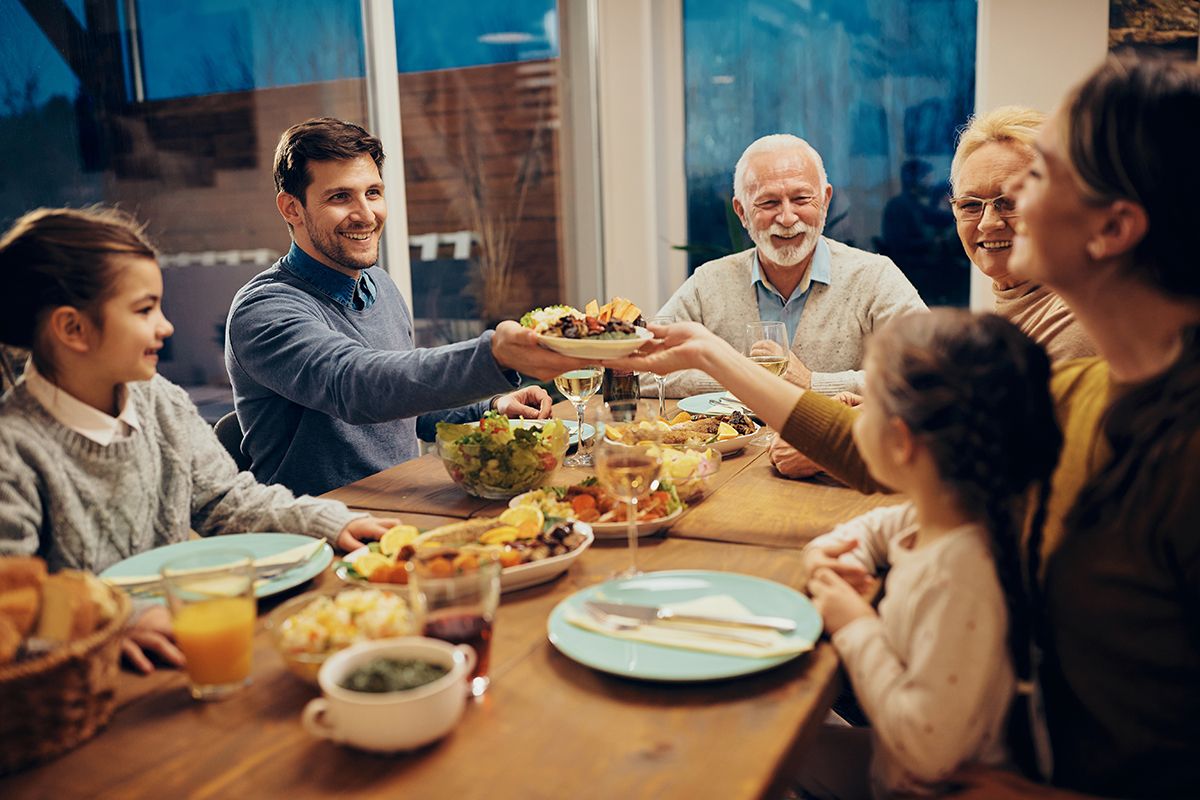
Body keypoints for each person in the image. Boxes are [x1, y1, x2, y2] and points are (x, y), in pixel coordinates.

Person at [608, 58, 1200, 797]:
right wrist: (711, 356)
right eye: (971, 201)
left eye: (1034, 182)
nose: (990, 221)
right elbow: (917, 457)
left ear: (1113, 226)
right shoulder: (1079, 388)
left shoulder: (1170, 440)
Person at [0, 206, 397, 672]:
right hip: (88, 673)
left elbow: (224, 500)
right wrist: (113, 620)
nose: (165, 327)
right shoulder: (13, 450)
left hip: (187, 643)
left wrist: (325, 521)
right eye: (144, 310)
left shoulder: (159, 401)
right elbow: (12, 599)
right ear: (73, 328)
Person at [225, 118, 585, 496]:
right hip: (323, 520)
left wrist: (492, 408)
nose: (366, 214)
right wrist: (494, 355)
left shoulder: (378, 284)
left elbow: (402, 400)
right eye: (340, 197)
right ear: (291, 208)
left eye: (373, 193)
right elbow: (356, 386)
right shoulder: (264, 310)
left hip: (401, 501)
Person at [796, 310, 1060, 799]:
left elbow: (927, 750)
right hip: (894, 762)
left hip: (923, 783)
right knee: (784, 745)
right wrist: (834, 550)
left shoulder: (960, 575)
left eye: (867, 408)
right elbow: (880, 526)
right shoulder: (952, 513)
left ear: (901, 442)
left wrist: (854, 624)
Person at [647, 134, 926, 398]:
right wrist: (739, 377)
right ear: (741, 212)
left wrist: (812, 383)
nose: (788, 218)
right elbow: (643, 369)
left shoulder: (874, 277)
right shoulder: (709, 282)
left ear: (825, 201)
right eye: (769, 203)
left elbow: (929, 372)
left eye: (801, 199)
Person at [949, 106, 1096, 363]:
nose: (988, 223)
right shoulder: (1014, 306)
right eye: (970, 205)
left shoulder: (1073, 321)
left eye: (1011, 201)